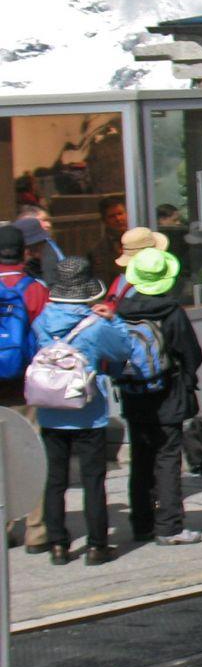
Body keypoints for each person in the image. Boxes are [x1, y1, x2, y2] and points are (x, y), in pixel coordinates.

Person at [31, 258, 132, 565]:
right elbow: (123, 350)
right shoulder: (96, 325)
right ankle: (97, 546)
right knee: (93, 480)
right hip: (88, 410)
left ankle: (58, 545)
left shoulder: (42, 321)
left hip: (51, 409)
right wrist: (113, 320)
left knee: (54, 479)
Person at [116, 247, 202, 546]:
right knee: (167, 458)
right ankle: (169, 527)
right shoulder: (172, 312)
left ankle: (141, 524)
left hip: (133, 394)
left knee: (141, 459)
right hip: (168, 394)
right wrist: (188, 379)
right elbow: (191, 353)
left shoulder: (122, 311)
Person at [0, 225, 51, 552]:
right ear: (24, 251)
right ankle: (37, 530)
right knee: (32, 449)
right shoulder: (34, 289)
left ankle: (3, 526)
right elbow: (47, 338)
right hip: (25, 385)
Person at [89, 195, 129, 282]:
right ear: (104, 221)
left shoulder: (142, 240)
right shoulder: (97, 251)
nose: (118, 219)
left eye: (120, 214)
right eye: (112, 216)